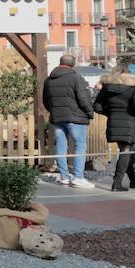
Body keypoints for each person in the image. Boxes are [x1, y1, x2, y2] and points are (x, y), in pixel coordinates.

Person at [42, 53, 97, 188]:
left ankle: (64, 177)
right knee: (80, 146)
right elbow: (84, 99)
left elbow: (45, 101)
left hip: (57, 118)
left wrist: (54, 111)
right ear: (73, 65)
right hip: (76, 118)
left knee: (60, 146)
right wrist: (90, 113)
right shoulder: (76, 78)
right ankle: (78, 177)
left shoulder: (49, 80)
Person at [95, 65, 135, 192]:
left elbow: (97, 107)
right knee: (126, 151)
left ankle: (133, 179)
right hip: (131, 123)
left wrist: (111, 113)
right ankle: (117, 183)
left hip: (114, 122)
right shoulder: (134, 88)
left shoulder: (107, 88)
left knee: (125, 151)